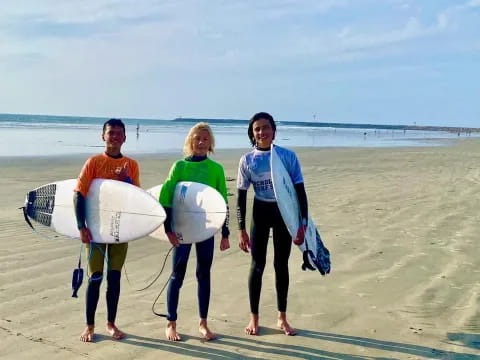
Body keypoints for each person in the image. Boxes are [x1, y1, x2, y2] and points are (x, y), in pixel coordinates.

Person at [236, 112, 308, 336]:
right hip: (260, 210)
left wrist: (302, 224)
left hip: (283, 213)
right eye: (257, 129)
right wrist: (241, 230)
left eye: (265, 127)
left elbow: (300, 192)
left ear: (274, 130)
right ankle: (254, 318)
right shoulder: (247, 160)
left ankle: (282, 318)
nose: (262, 132)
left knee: (281, 265)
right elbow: (240, 197)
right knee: (257, 265)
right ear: (252, 133)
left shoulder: (287, 157)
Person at [159, 122, 230, 341]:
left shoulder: (215, 169)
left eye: (205, 139)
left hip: (206, 229)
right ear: (190, 141)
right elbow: (166, 199)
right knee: (177, 275)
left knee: (203, 274)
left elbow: (222, 201)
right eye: (197, 138)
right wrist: (168, 230)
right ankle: (171, 323)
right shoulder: (179, 166)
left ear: (210, 144)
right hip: (181, 228)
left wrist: (225, 233)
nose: (200, 143)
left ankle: (203, 323)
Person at [74, 118, 140, 342]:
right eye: (111, 133)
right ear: (103, 136)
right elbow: (79, 194)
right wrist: (81, 226)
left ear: (124, 138)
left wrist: (126, 181)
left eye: (119, 133)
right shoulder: (93, 162)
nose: (114, 137)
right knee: (95, 277)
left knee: (114, 277)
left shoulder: (131, 165)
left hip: (120, 230)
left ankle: (111, 324)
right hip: (96, 229)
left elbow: (135, 198)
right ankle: (89, 325)